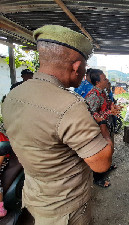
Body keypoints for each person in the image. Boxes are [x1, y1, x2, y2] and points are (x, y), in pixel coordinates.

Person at [1, 25, 114, 224]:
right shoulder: (69, 105)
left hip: (33, 198)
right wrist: (103, 126)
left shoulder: (13, 96)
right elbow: (101, 163)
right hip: (65, 209)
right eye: (85, 67)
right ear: (76, 66)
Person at [85, 69, 121, 187]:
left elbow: (105, 108)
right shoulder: (93, 95)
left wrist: (113, 108)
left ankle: (106, 167)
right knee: (100, 152)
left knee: (108, 148)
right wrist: (109, 113)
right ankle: (98, 178)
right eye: (104, 79)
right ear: (97, 82)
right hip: (99, 129)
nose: (107, 80)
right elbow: (90, 115)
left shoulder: (102, 92)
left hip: (107, 126)